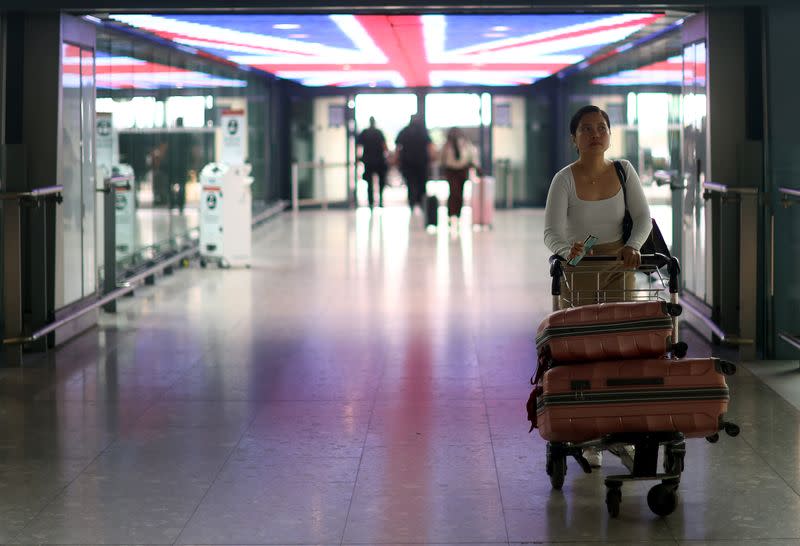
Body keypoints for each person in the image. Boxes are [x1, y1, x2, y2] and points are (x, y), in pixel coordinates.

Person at [543, 104, 652, 467]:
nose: (595, 134)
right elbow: (551, 233)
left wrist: (634, 246)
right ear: (574, 139)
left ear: (609, 134)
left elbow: (642, 218)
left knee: (620, 351)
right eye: (586, 129)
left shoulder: (624, 171)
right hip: (578, 274)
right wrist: (565, 250)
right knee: (584, 352)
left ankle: (621, 431)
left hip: (619, 270)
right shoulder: (564, 180)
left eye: (601, 128)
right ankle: (589, 434)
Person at [440, 127, 480, 226]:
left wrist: (475, 166)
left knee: (460, 192)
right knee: (453, 191)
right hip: (451, 170)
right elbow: (442, 158)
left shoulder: (466, 144)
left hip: (462, 170)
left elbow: (471, 155)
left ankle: (458, 214)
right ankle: (451, 214)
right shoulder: (447, 145)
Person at [395, 114, 432, 212]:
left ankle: (412, 202)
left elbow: (398, 147)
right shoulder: (422, 131)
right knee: (421, 183)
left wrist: (397, 159)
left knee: (410, 183)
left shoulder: (404, 131)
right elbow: (429, 146)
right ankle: (421, 203)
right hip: (421, 162)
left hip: (407, 162)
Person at [356, 116, 389, 208]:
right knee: (380, 182)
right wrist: (388, 158)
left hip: (368, 161)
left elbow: (358, 146)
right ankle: (380, 200)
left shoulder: (365, 133)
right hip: (379, 161)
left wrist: (358, 158)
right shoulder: (379, 133)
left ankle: (371, 202)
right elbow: (384, 147)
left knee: (369, 183)